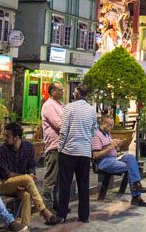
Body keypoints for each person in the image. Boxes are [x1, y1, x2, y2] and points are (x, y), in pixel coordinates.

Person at [0, 122, 63, 225]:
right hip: (3, 184)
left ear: (16, 137)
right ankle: (45, 212)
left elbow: (31, 166)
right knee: (27, 179)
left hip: (21, 184)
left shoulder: (28, 147)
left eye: (7, 136)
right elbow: (6, 173)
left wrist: (31, 174)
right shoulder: (3, 149)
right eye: (5, 135)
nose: (4, 138)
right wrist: (26, 178)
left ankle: (25, 227)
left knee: (27, 195)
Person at [55, 83, 98, 223]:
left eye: (74, 92)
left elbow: (63, 130)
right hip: (84, 152)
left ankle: (62, 215)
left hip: (68, 151)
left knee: (65, 184)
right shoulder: (92, 110)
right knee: (83, 184)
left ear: (77, 94)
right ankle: (84, 216)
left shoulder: (69, 107)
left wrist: (60, 148)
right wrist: (86, 140)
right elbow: (94, 129)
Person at [92, 114, 146, 207]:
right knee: (131, 167)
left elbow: (111, 148)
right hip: (104, 162)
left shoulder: (107, 134)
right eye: (110, 125)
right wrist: (110, 147)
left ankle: (136, 185)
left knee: (130, 157)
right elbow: (95, 155)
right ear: (103, 123)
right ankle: (136, 196)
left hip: (113, 158)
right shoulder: (96, 136)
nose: (111, 127)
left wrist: (117, 146)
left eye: (112, 125)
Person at [40, 82, 65, 202]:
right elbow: (59, 124)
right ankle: (47, 204)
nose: (61, 92)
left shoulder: (60, 104)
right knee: (51, 177)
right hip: (54, 145)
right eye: (59, 90)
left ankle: (57, 203)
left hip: (62, 145)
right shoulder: (49, 105)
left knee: (60, 177)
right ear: (52, 91)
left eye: (62, 90)